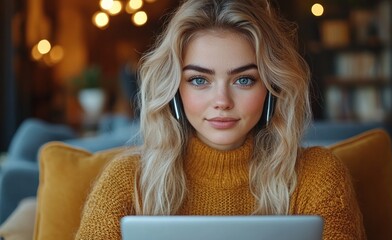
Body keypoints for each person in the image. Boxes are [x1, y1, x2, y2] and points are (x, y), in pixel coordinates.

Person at [75, 0, 365, 239]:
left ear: (272, 89)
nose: (222, 101)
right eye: (200, 80)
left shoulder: (316, 176)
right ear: (175, 89)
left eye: (244, 80)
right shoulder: (127, 180)